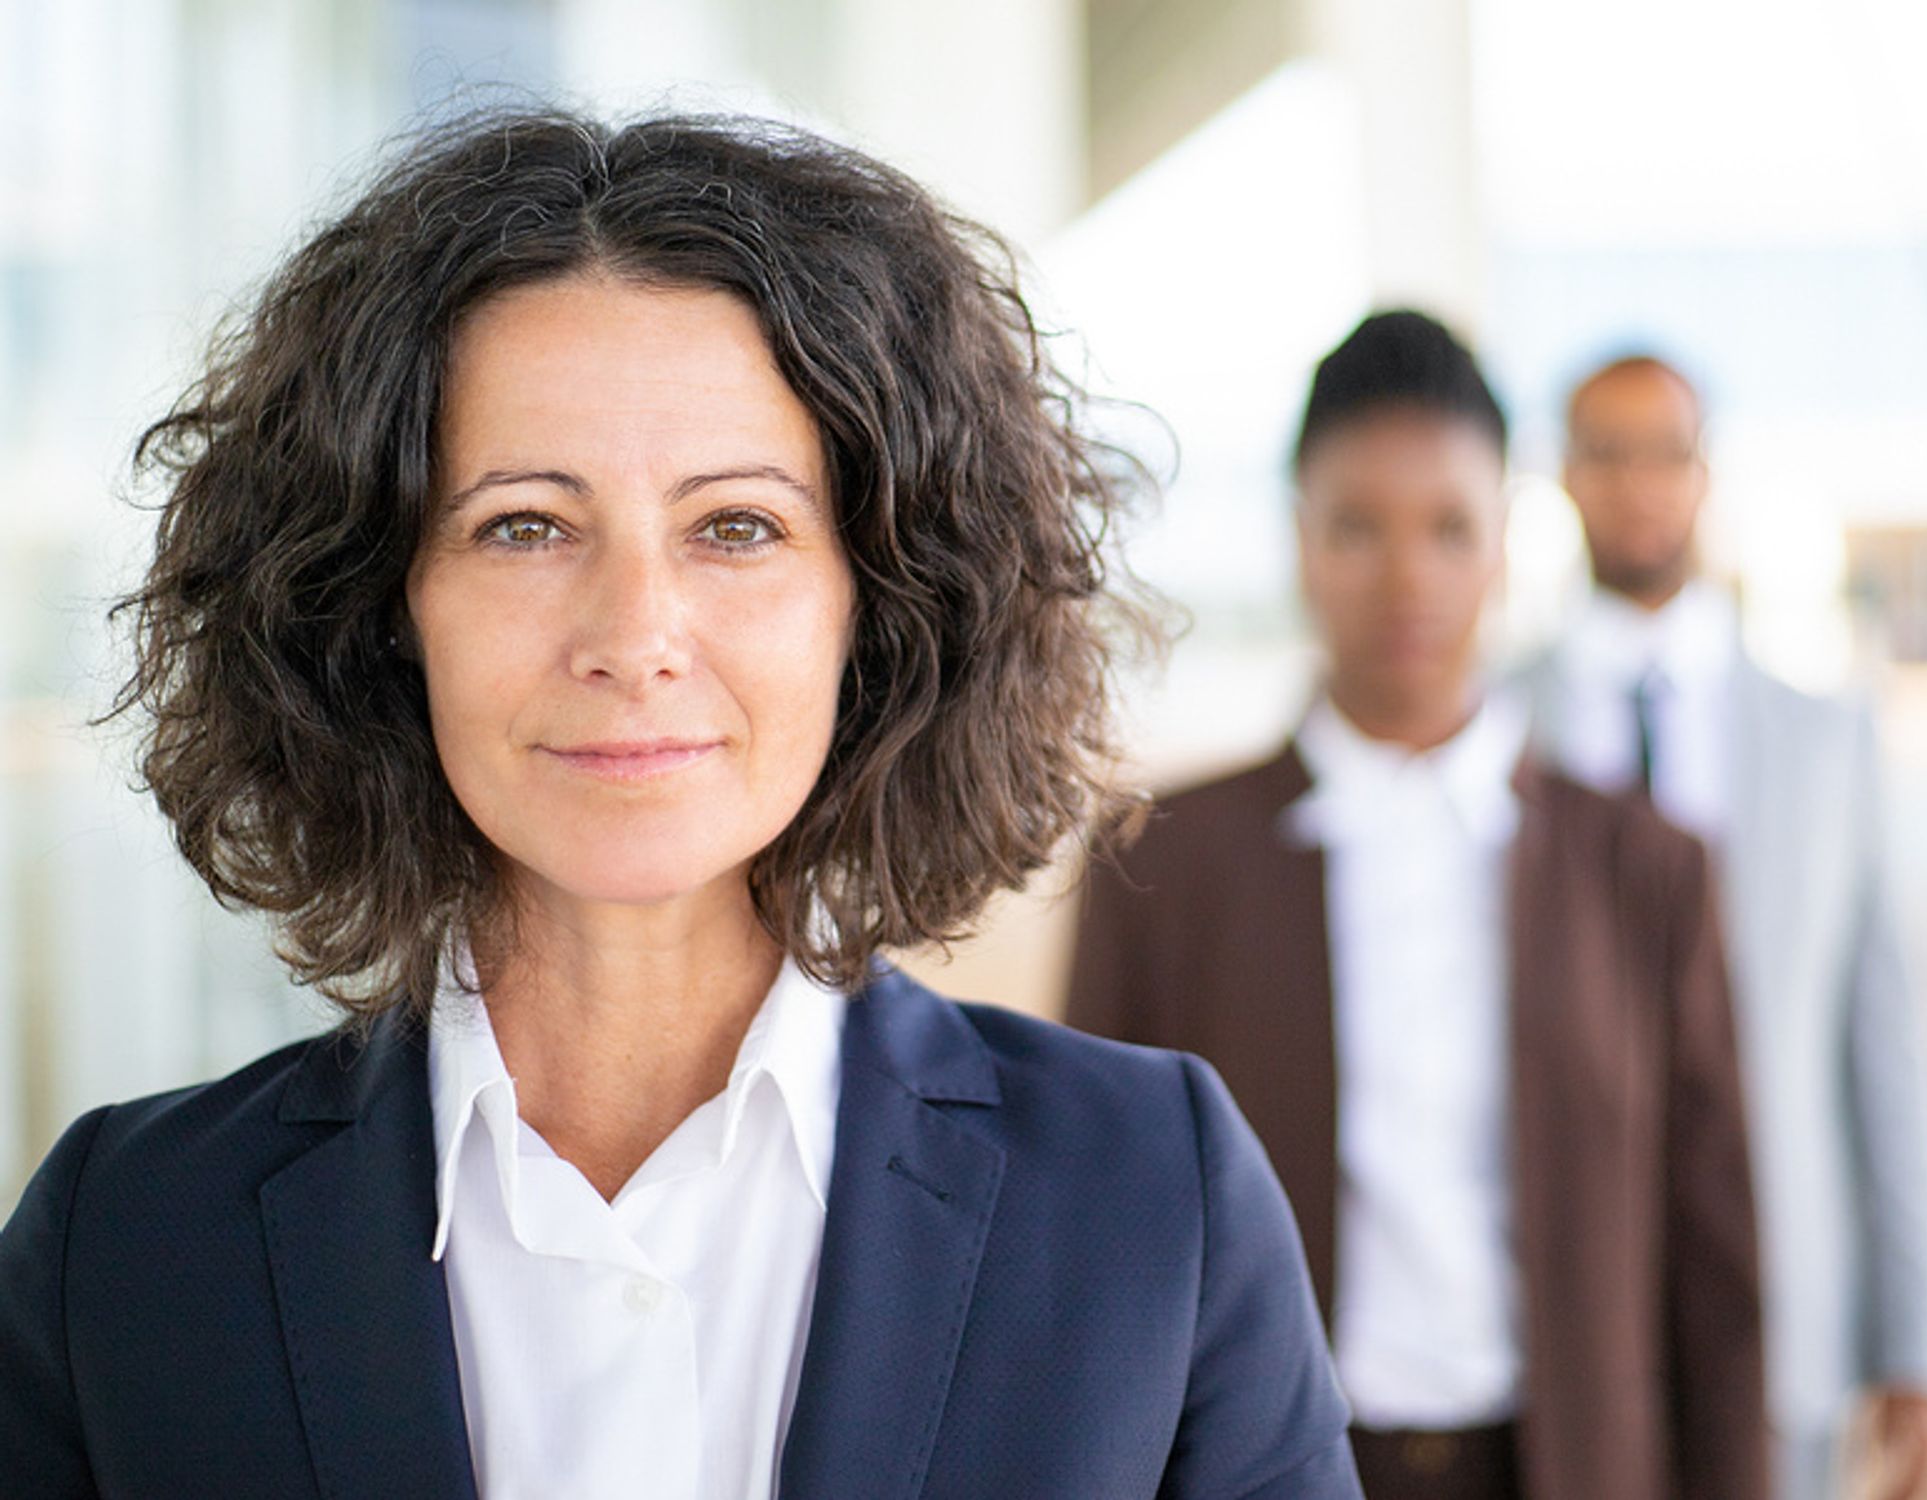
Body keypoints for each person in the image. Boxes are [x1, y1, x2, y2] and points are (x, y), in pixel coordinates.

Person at [0, 110, 1361, 1500]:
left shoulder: (1152, 1193)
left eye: (737, 527)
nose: (636, 633)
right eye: (524, 523)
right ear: (381, 606)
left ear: (875, 606)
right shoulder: (123, 1243)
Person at [1068, 311, 1768, 1500]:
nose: (1406, 577)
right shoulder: (1163, 865)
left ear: (1502, 544)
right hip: (1263, 1468)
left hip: (1567, 1466)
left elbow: (1711, 1260)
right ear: (1297, 541)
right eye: (1356, 527)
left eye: (1448, 528)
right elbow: (1091, 1234)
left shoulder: (1643, 866)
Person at [1517, 353, 1927, 1500]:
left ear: (1703, 471)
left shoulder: (1826, 742)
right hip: (1551, 1322)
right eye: (1604, 453)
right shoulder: (1493, 725)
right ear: (1564, 477)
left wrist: (1916, 1339)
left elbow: (1887, 1044)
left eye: (1662, 452)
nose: (1636, 485)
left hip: (1782, 1315)